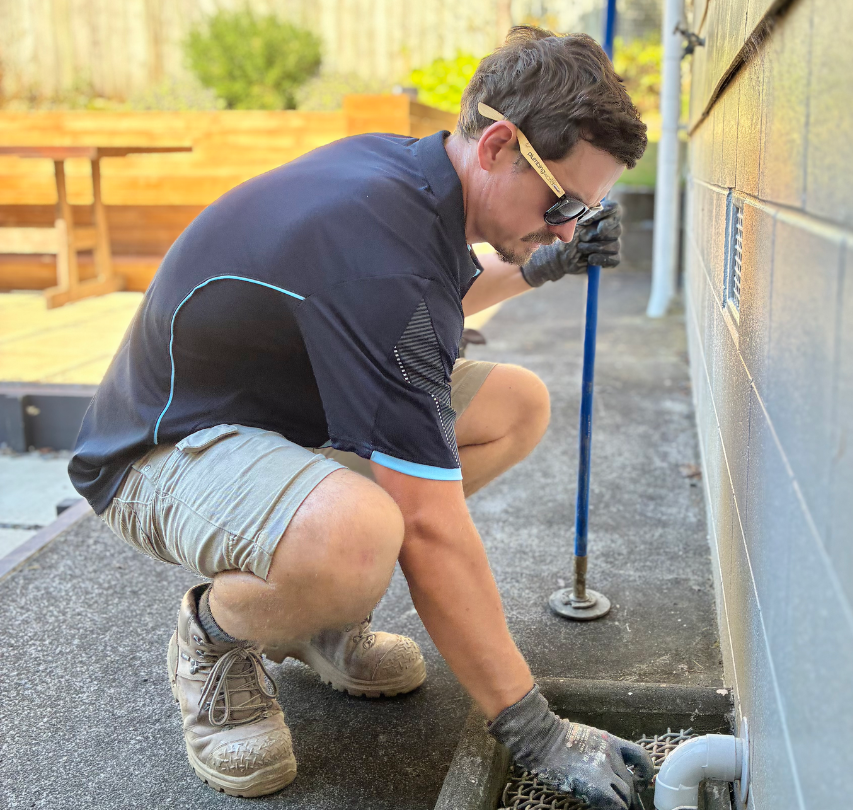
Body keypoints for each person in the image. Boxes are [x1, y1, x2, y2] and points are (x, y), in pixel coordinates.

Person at [68, 25, 651, 810]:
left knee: (514, 405)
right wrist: (535, 729)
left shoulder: (413, 180)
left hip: (277, 419)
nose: (565, 224)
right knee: (362, 535)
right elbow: (431, 522)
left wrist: (540, 264)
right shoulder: (379, 245)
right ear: (501, 145)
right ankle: (216, 635)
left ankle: (311, 616)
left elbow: (431, 295)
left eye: (585, 211)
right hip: (161, 454)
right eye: (564, 204)